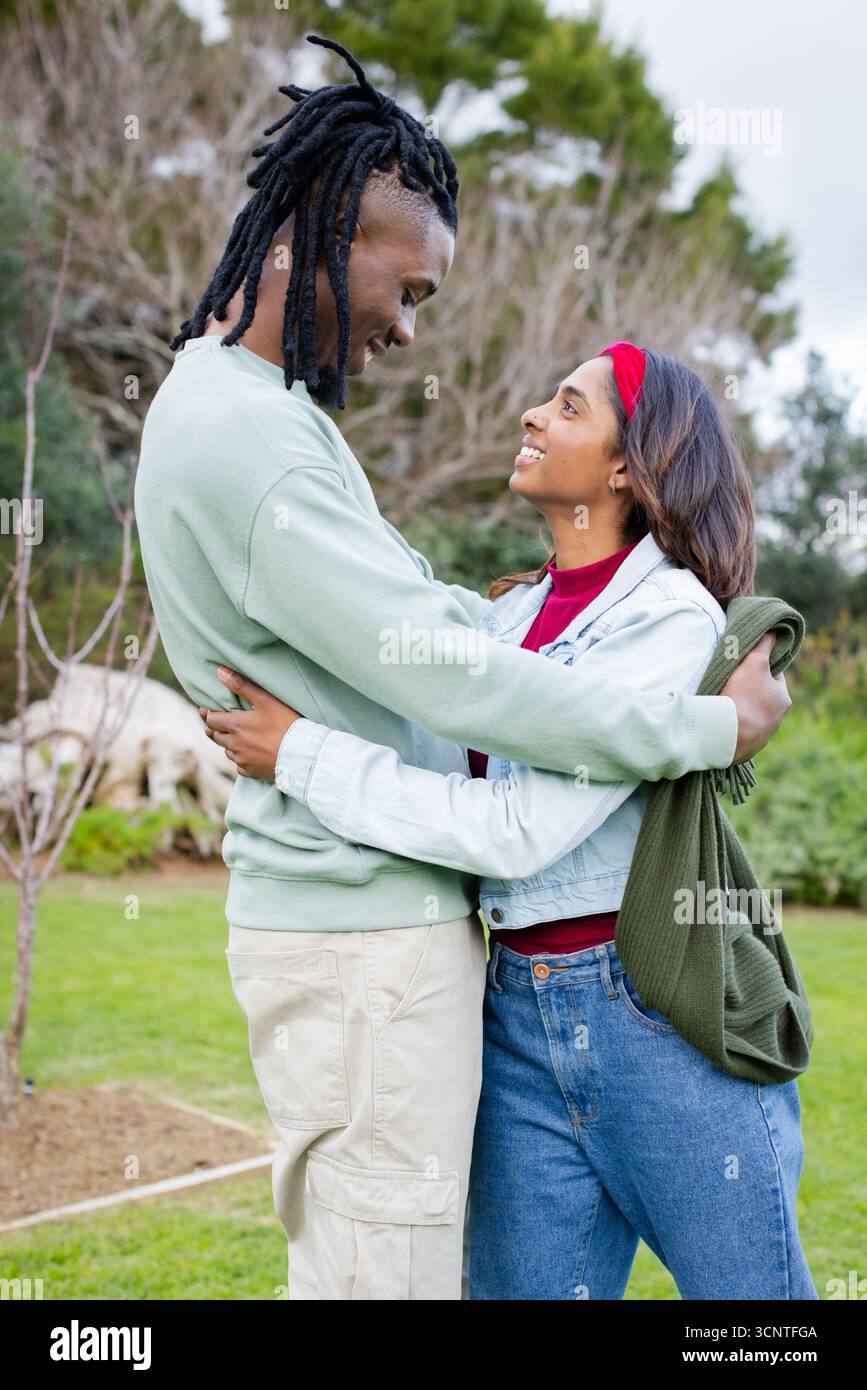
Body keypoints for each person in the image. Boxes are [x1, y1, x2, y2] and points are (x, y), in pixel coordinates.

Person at [136, 34, 791, 1302]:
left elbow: (451, 671)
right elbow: (456, 682)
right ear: (328, 225)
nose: (403, 324)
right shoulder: (259, 442)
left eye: (573, 403)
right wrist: (714, 728)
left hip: (521, 975)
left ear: (631, 466)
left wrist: (417, 669)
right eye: (413, 287)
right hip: (371, 939)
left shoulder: (259, 420)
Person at [204, 342, 814, 1301]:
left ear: (627, 464)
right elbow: (393, 641)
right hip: (514, 1009)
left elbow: (511, 832)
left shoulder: (669, 618)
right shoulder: (506, 618)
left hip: (651, 1007)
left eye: (567, 407)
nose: (532, 413)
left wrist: (305, 758)